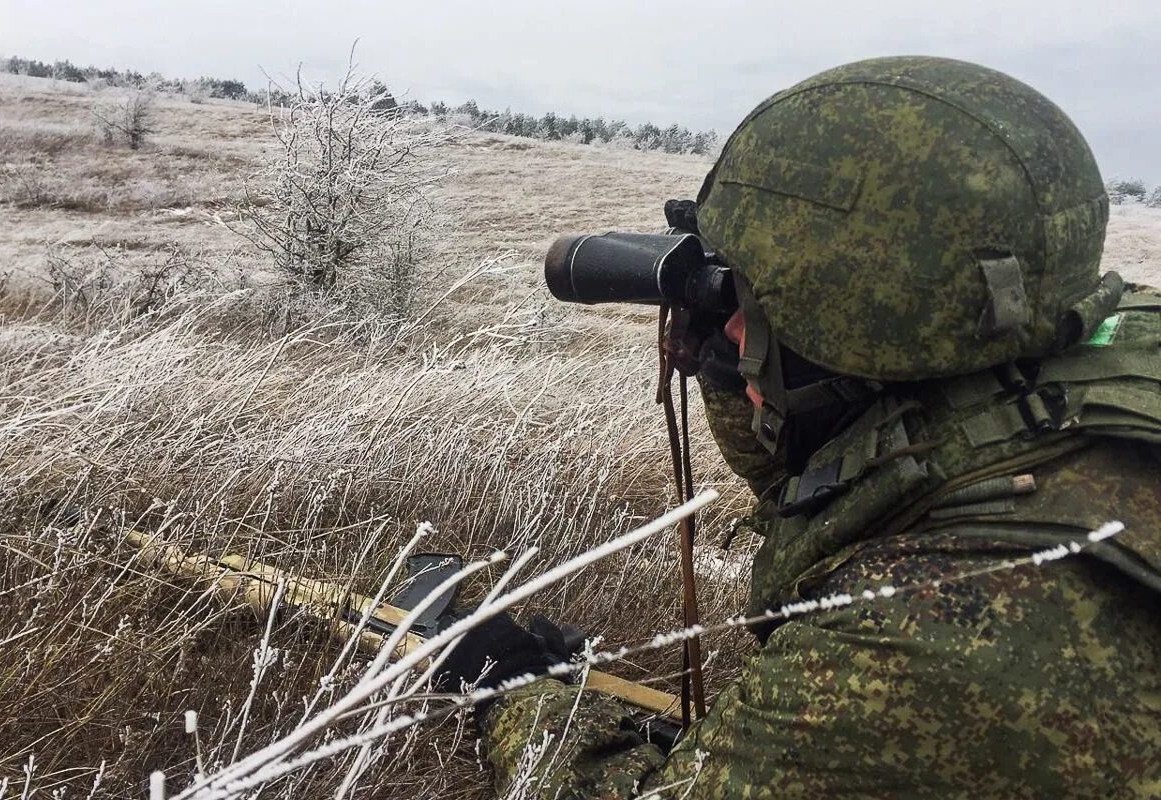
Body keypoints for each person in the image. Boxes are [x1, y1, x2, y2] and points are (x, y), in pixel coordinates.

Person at [437, 56, 1161, 798]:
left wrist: (517, 694)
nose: (740, 317)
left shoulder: (923, 631)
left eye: (754, 296)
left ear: (854, 330)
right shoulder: (1099, 344)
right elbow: (834, 484)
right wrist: (740, 364)